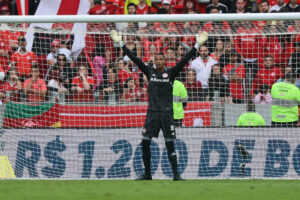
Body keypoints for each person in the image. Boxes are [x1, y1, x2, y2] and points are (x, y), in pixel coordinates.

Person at [110, 30, 208, 181]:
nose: (160, 61)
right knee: (145, 143)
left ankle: (176, 175)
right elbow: (134, 58)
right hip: (152, 114)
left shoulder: (171, 73)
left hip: (168, 114)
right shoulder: (149, 72)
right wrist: (121, 43)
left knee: (170, 144)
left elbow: (185, 60)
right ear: (154, 61)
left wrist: (196, 45)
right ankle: (147, 174)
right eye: (157, 59)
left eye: (162, 59)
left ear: (165, 62)